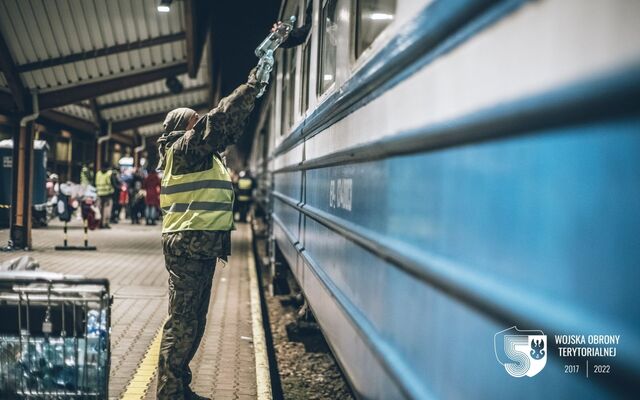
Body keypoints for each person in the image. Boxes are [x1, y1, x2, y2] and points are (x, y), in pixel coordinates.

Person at [156, 68, 265, 400]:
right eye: (194, 122)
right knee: (183, 322)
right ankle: (170, 392)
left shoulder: (199, 157)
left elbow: (226, 128)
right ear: (182, 129)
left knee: (193, 322)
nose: (199, 125)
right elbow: (218, 122)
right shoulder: (183, 150)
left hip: (197, 246)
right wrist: (251, 86)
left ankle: (178, 386)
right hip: (188, 246)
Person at [95, 163, 114, 229]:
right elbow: (112, 183)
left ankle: (99, 223)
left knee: (99, 209)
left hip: (99, 193)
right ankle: (105, 223)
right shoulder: (109, 174)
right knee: (107, 210)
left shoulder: (98, 173)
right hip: (107, 194)